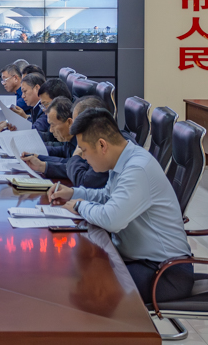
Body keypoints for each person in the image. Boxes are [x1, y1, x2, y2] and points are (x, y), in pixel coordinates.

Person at [46, 108, 194, 304]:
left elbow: (111, 219)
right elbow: (106, 196)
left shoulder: (137, 169)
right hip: (141, 261)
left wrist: (80, 207)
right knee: (83, 270)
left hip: (165, 272)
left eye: (84, 150)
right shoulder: (122, 161)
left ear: (102, 145)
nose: (83, 157)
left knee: (93, 285)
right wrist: (73, 193)